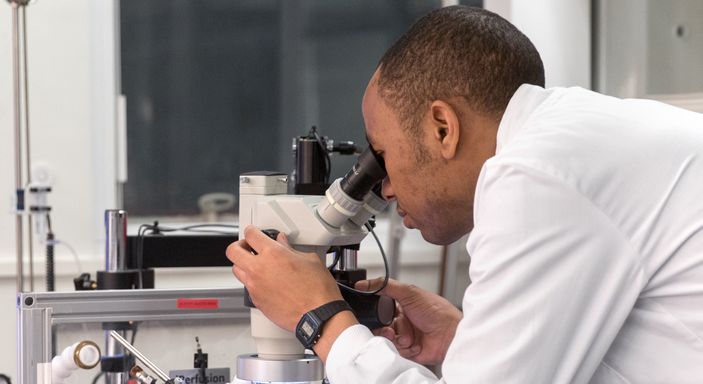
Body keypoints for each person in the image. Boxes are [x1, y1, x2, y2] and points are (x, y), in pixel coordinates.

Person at [227, 5, 703, 383]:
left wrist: (320, 317)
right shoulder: (577, 138)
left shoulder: (536, 176)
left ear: (442, 128)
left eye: (385, 156)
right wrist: (466, 339)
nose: (385, 188)